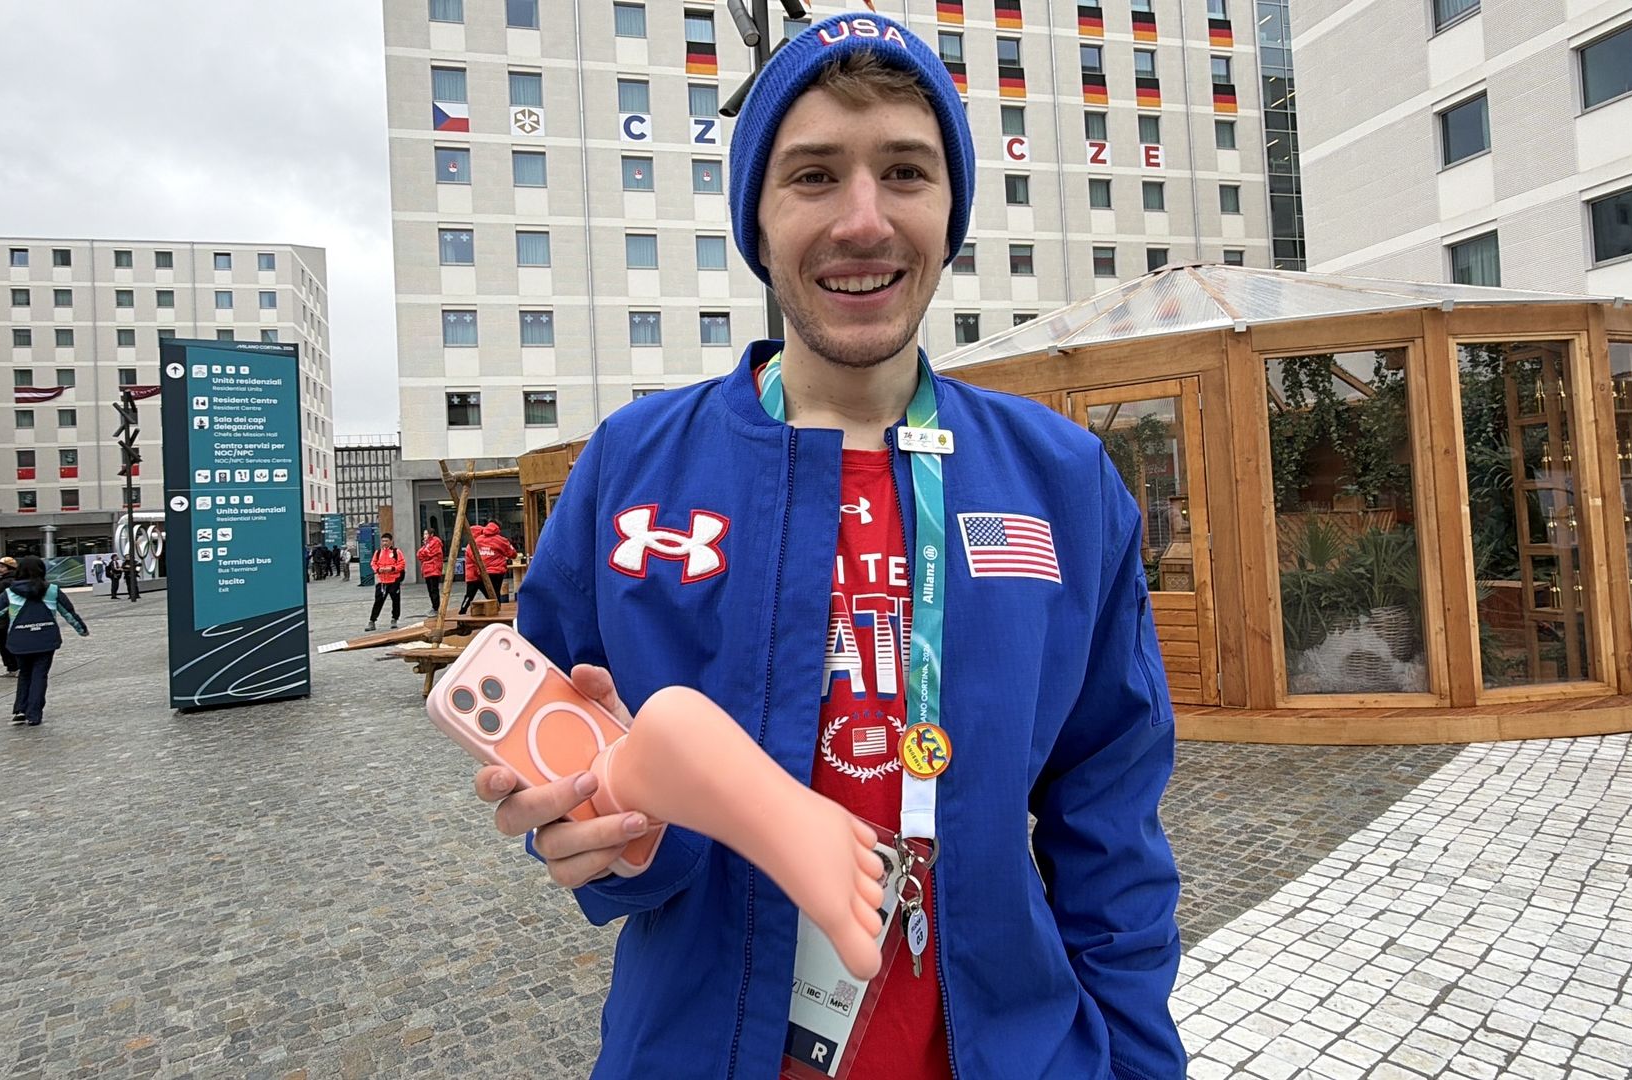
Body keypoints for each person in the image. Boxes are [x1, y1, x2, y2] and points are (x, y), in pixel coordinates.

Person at [476, 15, 1184, 1078]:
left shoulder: (1061, 483)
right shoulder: (634, 468)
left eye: (905, 171)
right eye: (812, 177)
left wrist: (1138, 1065)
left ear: (952, 215)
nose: (864, 220)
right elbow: (573, 770)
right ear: (756, 221)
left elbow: (1110, 821)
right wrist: (612, 843)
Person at [0, 556, 88, 726]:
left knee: (25, 674)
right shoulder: (52, 590)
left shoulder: (10, 592)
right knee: (39, 675)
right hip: (45, 639)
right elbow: (69, 613)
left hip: (19, 640)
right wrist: (82, 630)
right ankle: (34, 714)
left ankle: (20, 710)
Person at [366, 532, 406, 631]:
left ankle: (394, 619)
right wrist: (377, 569)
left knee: (396, 601)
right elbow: (373, 563)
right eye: (383, 541)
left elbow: (402, 564)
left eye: (386, 541)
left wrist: (392, 568)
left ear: (391, 541)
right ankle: (372, 621)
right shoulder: (378, 552)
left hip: (393, 580)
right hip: (382, 581)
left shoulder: (397, 552)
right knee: (378, 601)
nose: (384, 543)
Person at [416, 526, 446, 614]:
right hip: (427, 569)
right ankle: (434, 606)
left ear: (431, 534)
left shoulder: (435, 542)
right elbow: (419, 555)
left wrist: (425, 554)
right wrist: (425, 553)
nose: (424, 536)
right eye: (424, 534)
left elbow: (428, 554)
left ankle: (436, 607)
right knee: (430, 590)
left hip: (433, 569)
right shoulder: (426, 544)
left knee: (434, 589)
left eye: (426, 534)